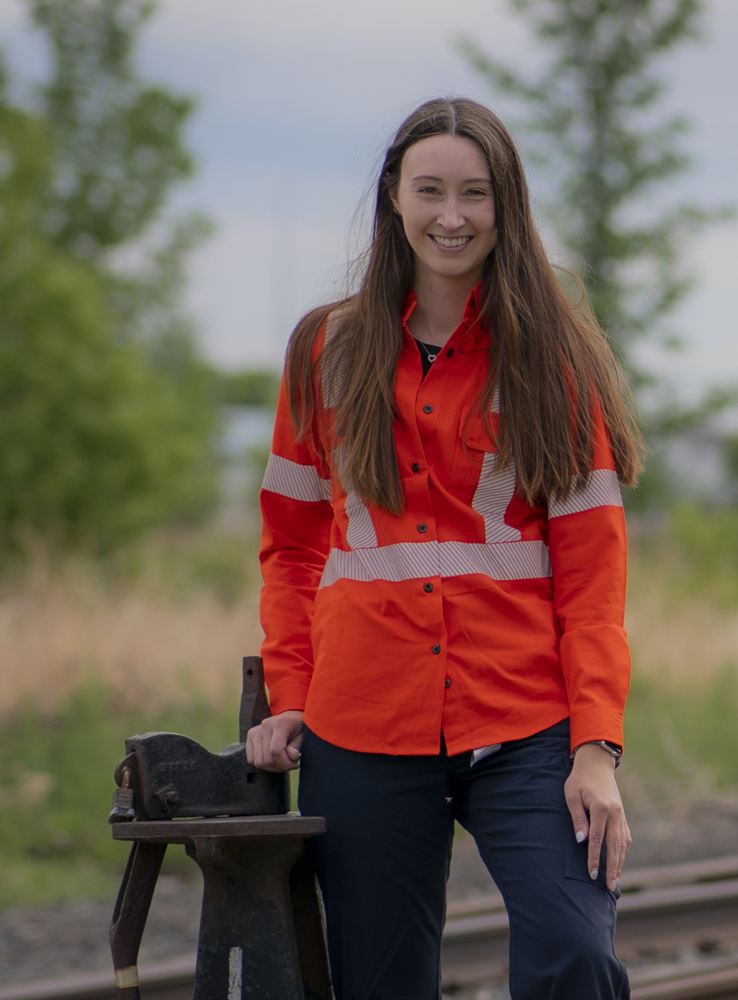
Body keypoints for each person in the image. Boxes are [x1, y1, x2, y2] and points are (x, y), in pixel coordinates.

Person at [247, 97, 643, 1000]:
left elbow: (594, 578)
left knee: (576, 955)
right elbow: (293, 546)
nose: (452, 216)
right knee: (380, 984)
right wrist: (292, 694)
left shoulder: (555, 360)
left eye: (475, 194)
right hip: (364, 716)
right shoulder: (325, 350)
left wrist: (597, 750)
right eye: (430, 190)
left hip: (526, 721)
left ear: (507, 206)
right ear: (395, 197)